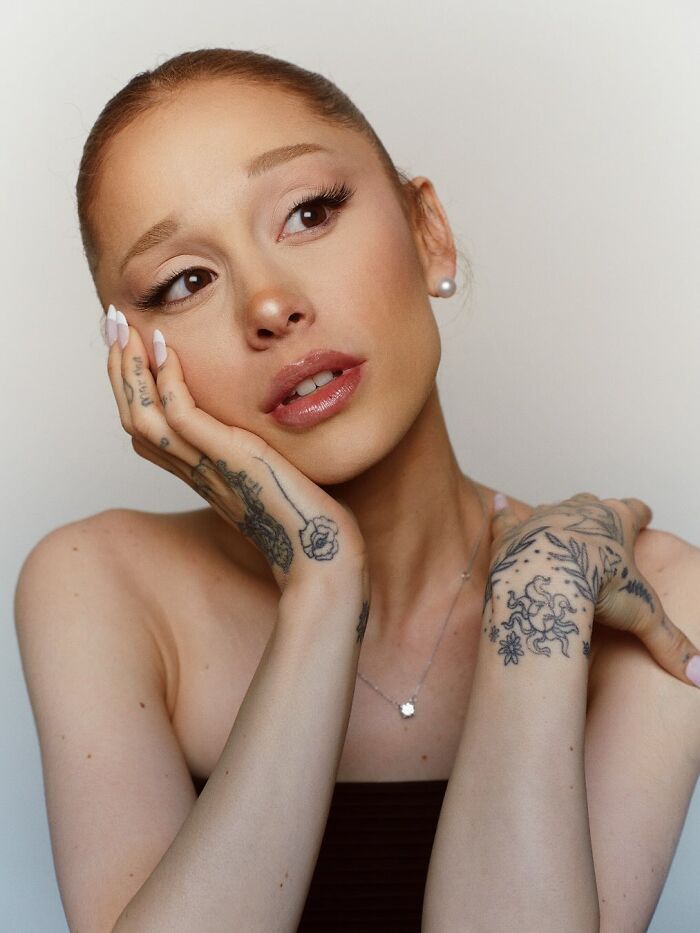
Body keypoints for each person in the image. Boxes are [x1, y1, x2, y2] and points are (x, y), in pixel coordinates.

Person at [14, 48, 700, 933]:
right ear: (135, 360)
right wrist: (322, 581)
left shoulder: (649, 593)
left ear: (429, 234)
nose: (269, 303)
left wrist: (543, 596)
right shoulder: (97, 584)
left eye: (308, 212)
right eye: (186, 281)